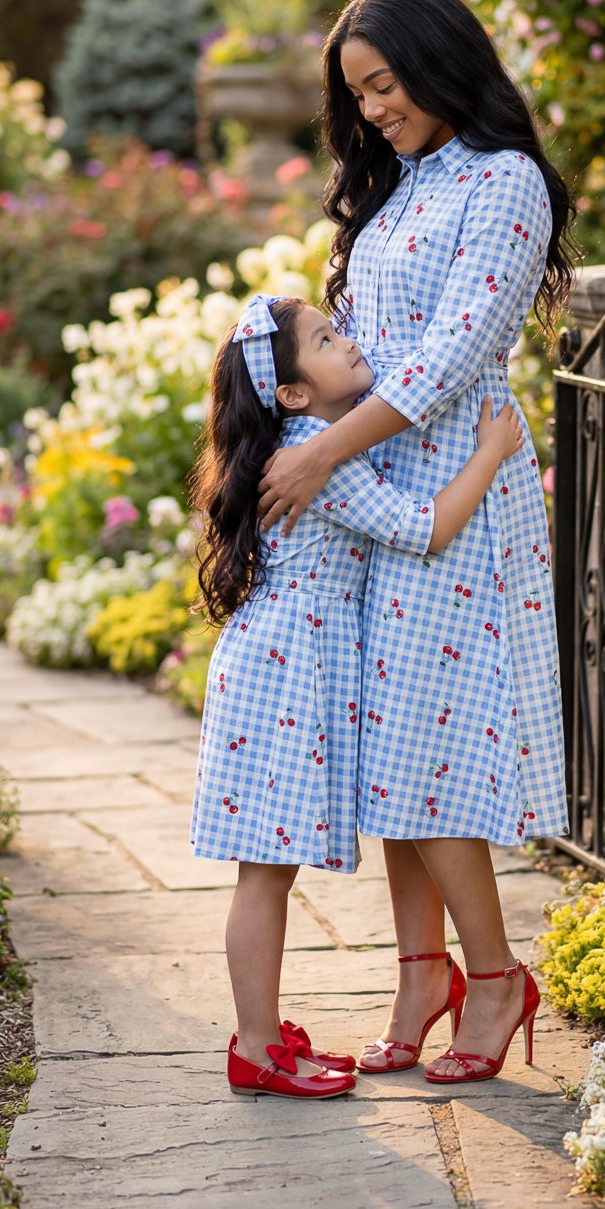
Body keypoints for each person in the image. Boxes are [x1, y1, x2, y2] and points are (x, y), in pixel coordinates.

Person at [258, 0, 574, 1085]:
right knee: (391, 748)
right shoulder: (402, 183)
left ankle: (494, 979)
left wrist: (319, 454)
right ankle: (420, 971)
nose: (374, 110)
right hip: (379, 490)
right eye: (360, 95)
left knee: (429, 750)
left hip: (456, 495)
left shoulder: (505, 185)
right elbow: (365, 338)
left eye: (385, 84)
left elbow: (444, 364)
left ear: (439, 62)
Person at [189, 289, 525, 1100]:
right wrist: (491, 449)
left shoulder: (307, 440)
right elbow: (427, 527)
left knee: (265, 871)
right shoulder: (317, 458)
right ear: (294, 393)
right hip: (286, 675)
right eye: (327, 339)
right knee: (266, 875)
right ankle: (259, 1046)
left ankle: (263, 1035)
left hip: (273, 665)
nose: (348, 342)